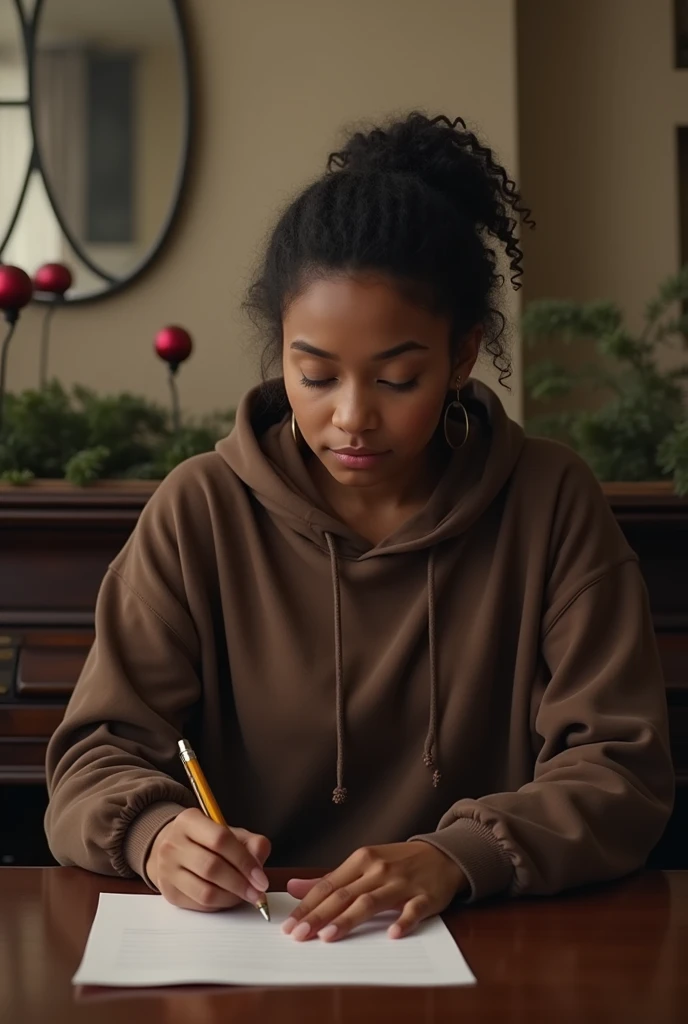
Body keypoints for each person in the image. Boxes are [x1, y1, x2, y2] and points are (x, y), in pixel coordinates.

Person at [45, 112, 674, 945]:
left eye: (399, 377)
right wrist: (155, 835)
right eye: (315, 374)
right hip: (248, 943)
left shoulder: (549, 501)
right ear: (281, 355)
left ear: (461, 356)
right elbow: (93, 757)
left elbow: (619, 769)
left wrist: (458, 856)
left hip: (479, 942)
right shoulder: (200, 510)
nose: (351, 417)